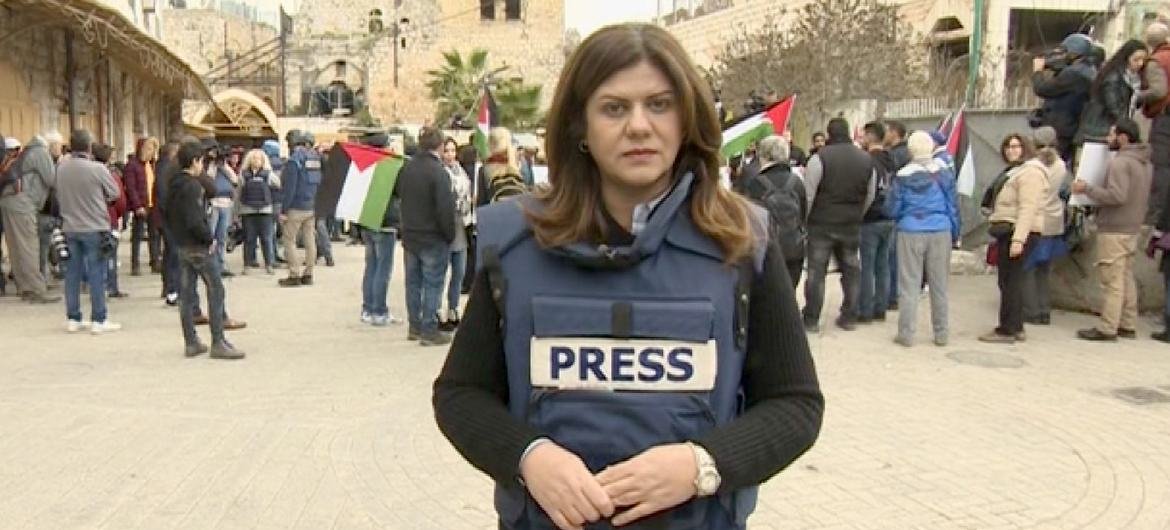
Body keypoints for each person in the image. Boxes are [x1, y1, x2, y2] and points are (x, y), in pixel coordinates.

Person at [433, 24, 822, 530]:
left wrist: (702, 465)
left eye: (659, 105)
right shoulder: (515, 244)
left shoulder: (742, 242)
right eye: (614, 108)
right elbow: (460, 394)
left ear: (687, 118)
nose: (639, 126)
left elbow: (796, 404)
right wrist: (528, 457)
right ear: (580, 126)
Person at [1071, 119, 1153, 341]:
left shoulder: (1120, 163)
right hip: (1132, 227)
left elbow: (1117, 195)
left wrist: (1087, 189)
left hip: (1114, 228)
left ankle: (1108, 327)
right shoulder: (1145, 162)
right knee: (1126, 277)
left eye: (1112, 134)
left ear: (1123, 137)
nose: (1108, 139)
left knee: (1112, 280)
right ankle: (1127, 323)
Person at [165, 138, 245, 359]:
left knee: (186, 295)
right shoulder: (192, 186)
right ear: (195, 161)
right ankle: (218, 341)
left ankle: (191, 341)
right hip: (198, 245)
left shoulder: (173, 183)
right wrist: (209, 239)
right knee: (215, 290)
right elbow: (195, 219)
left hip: (182, 244)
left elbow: (168, 214)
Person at [980, 128, 1057, 344]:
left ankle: (1008, 329)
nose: (1010, 150)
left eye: (1015, 146)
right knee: (1009, 280)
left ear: (1025, 148)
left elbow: (1028, 208)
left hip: (1018, 230)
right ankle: (1016, 325)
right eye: (1007, 146)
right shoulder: (1015, 171)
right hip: (1009, 229)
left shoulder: (1030, 172)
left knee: (1011, 281)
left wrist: (1018, 239)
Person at [885, 131, 959, 347]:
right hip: (940, 229)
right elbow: (953, 205)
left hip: (910, 230)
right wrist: (955, 232)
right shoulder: (943, 173)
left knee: (909, 284)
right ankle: (941, 333)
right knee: (939, 284)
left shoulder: (902, 176)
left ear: (910, 150)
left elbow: (892, 208)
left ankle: (906, 334)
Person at [802, 117, 875, 332]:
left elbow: (809, 194)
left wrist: (805, 219)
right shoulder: (866, 160)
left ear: (829, 134)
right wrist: (858, 213)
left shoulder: (819, 158)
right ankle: (849, 316)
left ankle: (811, 318)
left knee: (816, 273)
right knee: (851, 270)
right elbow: (870, 194)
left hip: (821, 224)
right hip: (851, 224)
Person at [56, 130, 121, 334]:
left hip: (70, 226)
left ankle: (73, 318)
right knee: (96, 273)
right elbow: (115, 193)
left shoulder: (61, 169)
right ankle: (98, 319)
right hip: (95, 226)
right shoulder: (98, 169)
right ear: (89, 147)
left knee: (72, 274)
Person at [395, 127, 456, 345]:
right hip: (433, 237)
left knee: (413, 283)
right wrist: (449, 234)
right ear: (440, 146)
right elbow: (445, 209)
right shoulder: (439, 172)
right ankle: (429, 329)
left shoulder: (407, 168)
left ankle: (415, 326)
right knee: (433, 284)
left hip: (411, 235)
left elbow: (398, 195)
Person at [740, 135, 807, 288]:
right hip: (794, 248)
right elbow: (803, 214)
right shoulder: (797, 182)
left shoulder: (756, 184)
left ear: (763, 155)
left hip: (766, 251)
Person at [0, 134, 59, 304]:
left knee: (16, 247)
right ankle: (35, 289)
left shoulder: (28, 152)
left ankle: (24, 287)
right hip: (23, 203)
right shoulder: (41, 152)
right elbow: (52, 180)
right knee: (29, 246)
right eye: (58, 145)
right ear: (52, 144)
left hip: (9, 200)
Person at [1022, 127, 1070, 325]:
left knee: (1028, 268)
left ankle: (1031, 310)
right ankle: (1044, 310)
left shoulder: (1034, 166)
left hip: (1037, 221)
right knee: (1044, 270)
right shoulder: (1061, 165)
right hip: (1054, 222)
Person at [1031, 33, 1097, 162]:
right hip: (1070, 126)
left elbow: (1042, 89)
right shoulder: (1086, 69)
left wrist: (1037, 72)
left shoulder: (1073, 73)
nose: (1063, 56)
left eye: (1065, 52)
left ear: (1074, 52)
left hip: (1062, 128)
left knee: (1051, 162)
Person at [859, 121, 896, 323]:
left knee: (867, 266)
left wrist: (860, 214)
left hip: (871, 219)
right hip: (889, 217)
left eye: (864, 135)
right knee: (883, 266)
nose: (862, 139)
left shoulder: (868, 161)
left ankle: (865, 310)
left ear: (871, 136)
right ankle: (881, 307)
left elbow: (867, 192)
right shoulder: (892, 160)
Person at [279, 131, 323, 287]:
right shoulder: (316, 159)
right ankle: (308, 274)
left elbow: (289, 188)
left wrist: (284, 210)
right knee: (310, 240)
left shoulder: (294, 160)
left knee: (289, 240)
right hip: (311, 206)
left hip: (296, 207)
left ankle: (294, 275)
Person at [439, 137, 474, 331]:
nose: (450, 155)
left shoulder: (461, 172)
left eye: (453, 151)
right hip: (445, 227)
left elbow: (467, 194)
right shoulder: (440, 173)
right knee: (441, 273)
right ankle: (438, 311)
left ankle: (453, 308)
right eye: (447, 151)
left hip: (462, 225)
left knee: (459, 272)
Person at [93, 144, 129, 299]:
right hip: (110, 218)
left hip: (92, 220)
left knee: (94, 255)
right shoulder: (111, 175)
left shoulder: (89, 173)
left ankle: (95, 285)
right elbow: (120, 200)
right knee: (111, 255)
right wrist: (119, 215)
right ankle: (111, 286)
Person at [1143, 23, 1170, 225]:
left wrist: (1138, 95)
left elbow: (1159, 91)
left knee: (1161, 166)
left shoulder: (1156, 61)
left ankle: (1155, 215)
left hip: (1165, 117)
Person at [238, 149, 279, 275]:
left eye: (259, 158)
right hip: (248, 211)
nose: (256, 161)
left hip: (265, 211)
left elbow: (278, 184)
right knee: (249, 239)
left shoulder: (268, 174)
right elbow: (239, 191)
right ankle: (247, 264)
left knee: (266, 239)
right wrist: (237, 212)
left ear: (263, 160)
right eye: (254, 158)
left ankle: (269, 264)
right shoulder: (243, 175)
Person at [122, 137, 159, 276]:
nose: (150, 152)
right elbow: (130, 187)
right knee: (137, 235)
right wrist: (137, 205)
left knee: (154, 234)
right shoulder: (132, 165)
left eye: (152, 149)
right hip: (140, 204)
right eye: (148, 149)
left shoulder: (152, 165)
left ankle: (155, 261)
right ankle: (135, 264)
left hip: (152, 204)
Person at [204, 140, 239, 276]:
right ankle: (209, 265)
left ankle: (221, 264)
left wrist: (223, 165)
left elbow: (235, 179)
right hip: (213, 203)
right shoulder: (208, 165)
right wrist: (213, 163)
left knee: (222, 236)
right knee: (211, 235)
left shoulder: (224, 166)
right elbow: (209, 179)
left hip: (226, 203)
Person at [480, 128, 527, 205]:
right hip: (519, 208)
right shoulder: (519, 165)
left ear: (490, 143)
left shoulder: (485, 168)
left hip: (495, 209)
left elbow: (482, 200)